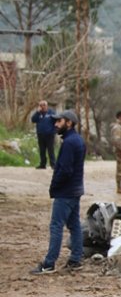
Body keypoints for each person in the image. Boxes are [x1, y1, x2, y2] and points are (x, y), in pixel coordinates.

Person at [30, 110, 86, 274]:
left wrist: (54, 185)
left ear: (68, 123)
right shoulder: (77, 140)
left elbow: (65, 170)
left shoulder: (69, 143)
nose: (55, 124)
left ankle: (49, 263)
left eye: (59, 121)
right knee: (74, 226)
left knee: (56, 226)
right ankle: (76, 259)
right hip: (75, 190)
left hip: (66, 192)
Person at [30, 100, 56, 169]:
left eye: (44, 105)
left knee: (50, 150)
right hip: (40, 134)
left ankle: (53, 164)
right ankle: (42, 164)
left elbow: (56, 122)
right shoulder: (38, 114)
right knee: (42, 150)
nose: (42, 106)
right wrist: (37, 112)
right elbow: (33, 120)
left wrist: (54, 131)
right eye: (40, 105)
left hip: (49, 135)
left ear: (47, 105)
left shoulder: (51, 112)